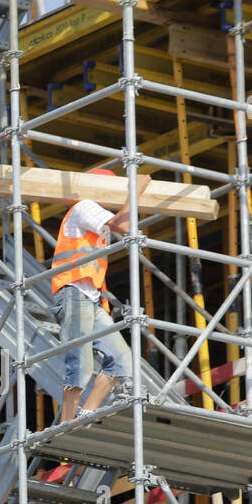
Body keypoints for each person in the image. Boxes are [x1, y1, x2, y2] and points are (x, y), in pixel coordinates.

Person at [51, 168, 150, 422]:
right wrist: (135, 190)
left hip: (92, 298)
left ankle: (85, 415)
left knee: (121, 360)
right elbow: (124, 225)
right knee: (80, 363)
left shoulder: (96, 214)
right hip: (74, 292)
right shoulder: (85, 206)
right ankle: (67, 423)